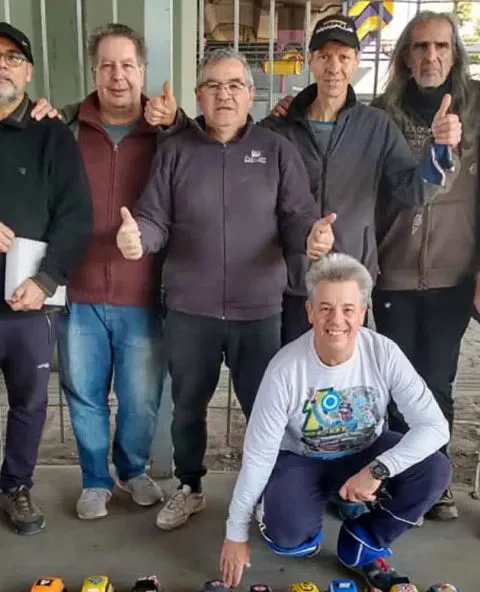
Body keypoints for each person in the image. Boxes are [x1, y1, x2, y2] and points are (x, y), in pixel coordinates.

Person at [117, 48, 335, 532]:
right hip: (190, 308)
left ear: (251, 94)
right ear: (199, 95)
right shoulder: (176, 151)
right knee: (187, 408)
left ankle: (263, 491)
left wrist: (310, 237)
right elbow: (154, 217)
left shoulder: (276, 150)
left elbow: (297, 214)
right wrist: (138, 238)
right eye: (213, 85)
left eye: (235, 85)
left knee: (264, 407)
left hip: (258, 309)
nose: (225, 95)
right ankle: (190, 487)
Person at [220, 253, 451, 589]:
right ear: (310, 311)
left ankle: (364, 539)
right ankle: (299, 511)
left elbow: (435, 427)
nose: (336, 320)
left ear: (363, 312)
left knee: (435, 469)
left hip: (365, 454)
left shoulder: (384, 353)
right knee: (290, 539)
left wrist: (378, 470)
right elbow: (258, 455)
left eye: (348, 309)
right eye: (325, 308)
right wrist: (235, 532)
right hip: (302, 459)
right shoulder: (285, 369)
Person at [44, 24, 179, 521]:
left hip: (143, 292)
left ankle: (133, 469)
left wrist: (178, 120)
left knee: (141, 399)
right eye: (106, 65)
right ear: (93, 71)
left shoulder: (166, 132)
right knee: (84, 395)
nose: (117, 76)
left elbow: (209, 148)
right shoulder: (65, 128)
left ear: (142, 70)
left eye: (127, 65)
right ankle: (95, 481)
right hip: (78, 290)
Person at [262, 14, 461, 345]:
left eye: (343, 57)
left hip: (350, 282)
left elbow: (412, 190)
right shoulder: (280, 129)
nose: (334, 67)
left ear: (355, 61)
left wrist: (440, 149)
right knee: (292, 371)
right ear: (310, 61)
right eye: (324, 56)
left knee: (346, 372)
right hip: (291, 283)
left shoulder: (376, 125)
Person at [371, 11, 480, 521]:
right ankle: (400, 480)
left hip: (452, 273)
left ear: (454, 54)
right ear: (404, 57)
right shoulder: (381, 113)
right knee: (397, 385)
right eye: (420, 47)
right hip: (392, 272)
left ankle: (437, 481)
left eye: (441, 46)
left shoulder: (477, 108)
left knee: (437, 380)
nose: (430, 56)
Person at [0, 22, 92, 534]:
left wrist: (46, 280)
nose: (2, 64)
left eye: (13, 57)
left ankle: (15, 485)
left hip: (29, 303)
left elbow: (76, 216)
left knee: (29, 404)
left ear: (29, 72)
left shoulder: (51, 135)